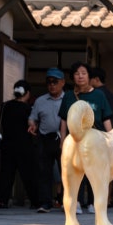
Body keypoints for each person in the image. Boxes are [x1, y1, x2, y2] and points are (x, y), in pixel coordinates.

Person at [58, 62, 113, 214]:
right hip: (75, 140)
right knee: (76, 172)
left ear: (89, 76)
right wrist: (63, 140)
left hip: (96, 141)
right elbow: (63, 120)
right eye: (77, 73)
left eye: (83, 73)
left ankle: (93, 203)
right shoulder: (69, 96)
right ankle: (76, 203)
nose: (80, 76)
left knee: (94, 172)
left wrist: (112, 138)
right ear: (73, 77)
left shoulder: (99, 95)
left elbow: (106, 118)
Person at [27, 68, 66, 213]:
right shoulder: (40, 101)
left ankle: (65, 201)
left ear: (62, 83)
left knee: (65, 172)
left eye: (55, 82)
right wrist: (31, 124)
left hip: (63, 138)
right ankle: (45, 202)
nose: (52, 85)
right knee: (44, 171)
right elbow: (32, 117)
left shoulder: (67, 99)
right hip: (45, 137)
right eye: (49, 82)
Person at [0, 80, 36, 208]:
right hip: (24, 145)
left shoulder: (5, 106)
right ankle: (36, 201)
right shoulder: (28, 109)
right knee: (28, 173)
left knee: (5, 173)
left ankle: (0, 200)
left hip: (7, 144)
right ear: (27, 93)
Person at [90, 66, 113, 207]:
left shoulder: (97, 96)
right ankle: (108, 199)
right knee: (108, 170)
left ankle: (100, 201)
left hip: (98, 136)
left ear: (96, 79)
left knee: (97, 171)